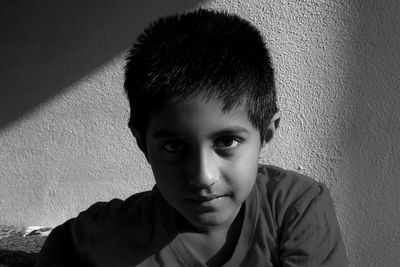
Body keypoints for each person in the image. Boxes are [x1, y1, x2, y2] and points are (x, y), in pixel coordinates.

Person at [35, 9, 348, 267]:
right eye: (174, 146)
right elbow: (63, 243)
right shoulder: (118, 230)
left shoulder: (296, 209)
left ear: (265, 133)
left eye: (226, 142)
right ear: (142, 142)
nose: (203, 176)